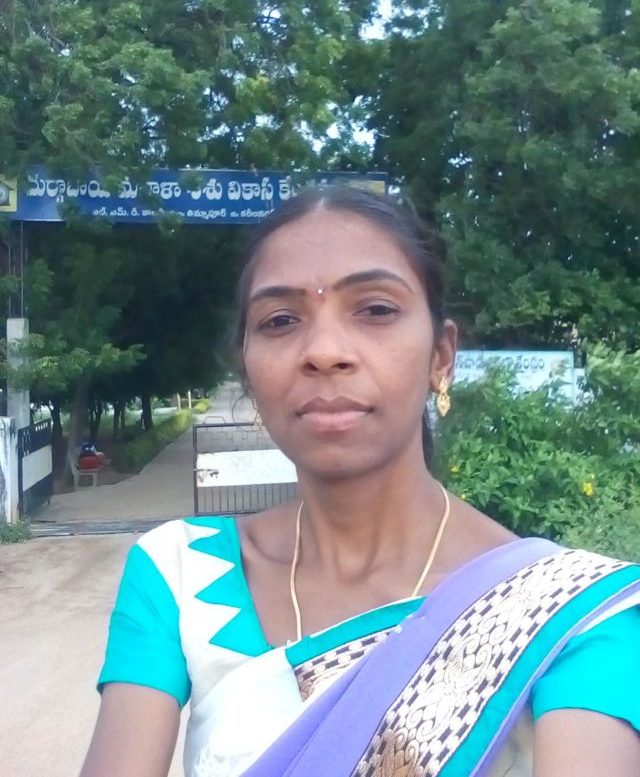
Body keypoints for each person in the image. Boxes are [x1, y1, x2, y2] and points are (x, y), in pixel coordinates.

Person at [80, 187, 640, 777]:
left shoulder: (568, 613)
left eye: (375, 310)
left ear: (441, 357)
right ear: (247, 367)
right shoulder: (180, 573)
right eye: (280, 320)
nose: (324, 352)